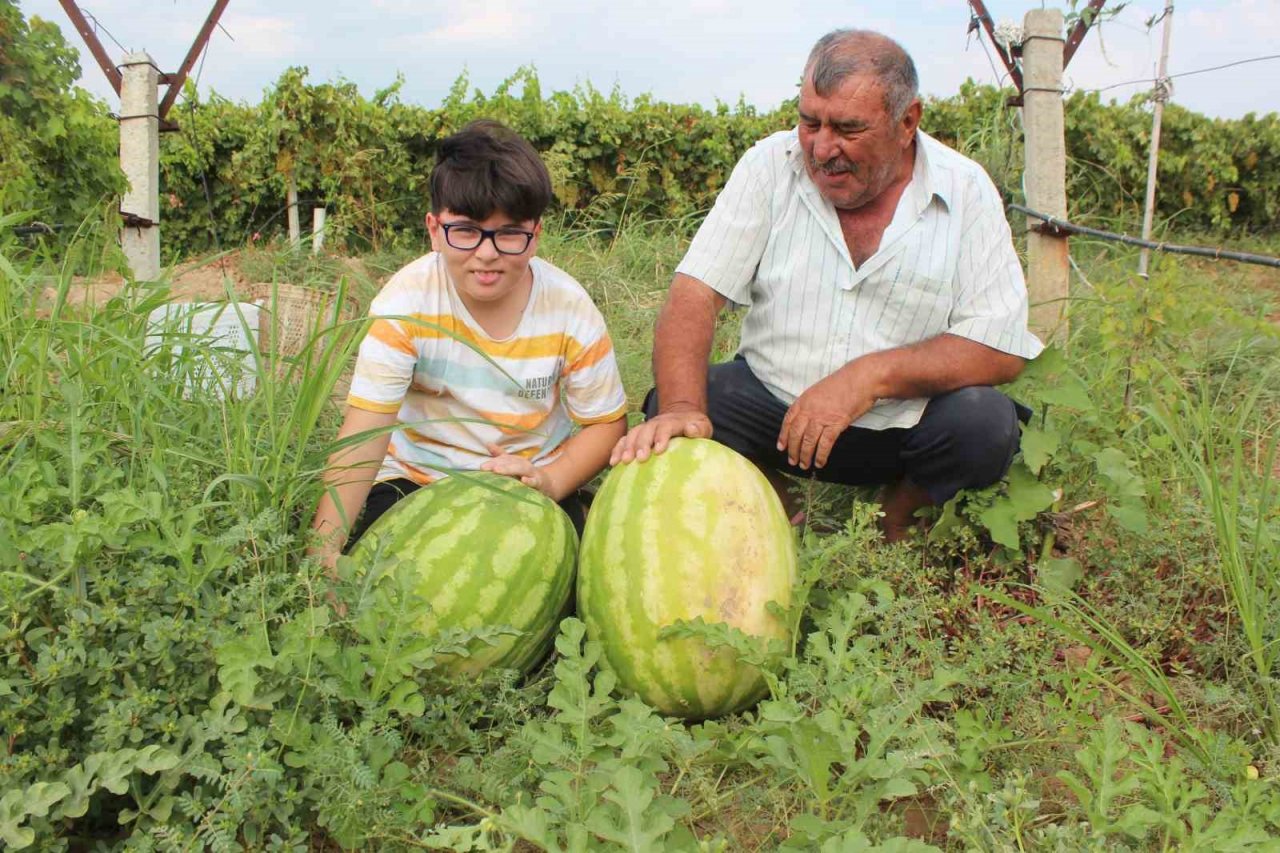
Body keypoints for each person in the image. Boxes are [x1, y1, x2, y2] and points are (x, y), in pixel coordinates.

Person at [610, 29, 1043, 540]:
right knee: (676, 401)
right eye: (809, 121)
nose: (820, 147)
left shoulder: (965, 189)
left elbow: (1001, 349)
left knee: (986, 426)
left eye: (848, 129)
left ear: (907, 122)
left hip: (903, 426)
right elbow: (695, 293)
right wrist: (684, 410)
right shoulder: (770, 166)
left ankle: (896, 520)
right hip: (775, 410)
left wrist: (869, 377)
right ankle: (780, 512)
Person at [310, 120, 627, 566]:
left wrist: (551, 481)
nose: (486, 253)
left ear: (535, 235)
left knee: (559, 585)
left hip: (530, 481)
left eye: (509, 234)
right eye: (466, 231)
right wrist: (322, 553)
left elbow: (605, 426)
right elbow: (364, 432)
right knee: (393, 582)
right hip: (418, 479)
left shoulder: (570, 310)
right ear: (434, 230)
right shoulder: (405, 305)